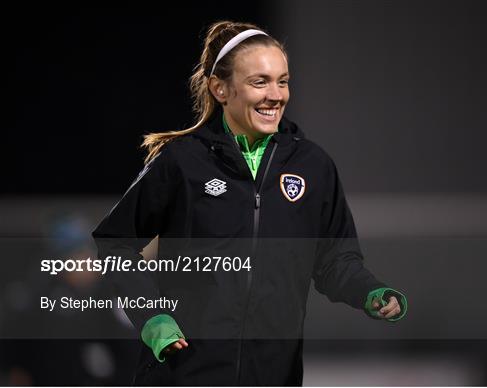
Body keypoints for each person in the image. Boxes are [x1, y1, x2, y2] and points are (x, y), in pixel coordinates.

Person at [92, 20, 408, 386]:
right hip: (184, 374)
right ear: (221, 89)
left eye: (282, 81)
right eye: (259, 82)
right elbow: (115, 242)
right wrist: (152, 317)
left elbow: (335, 259)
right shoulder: (181, 162)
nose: (276, 95)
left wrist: (369, 291)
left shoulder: (314, 166)